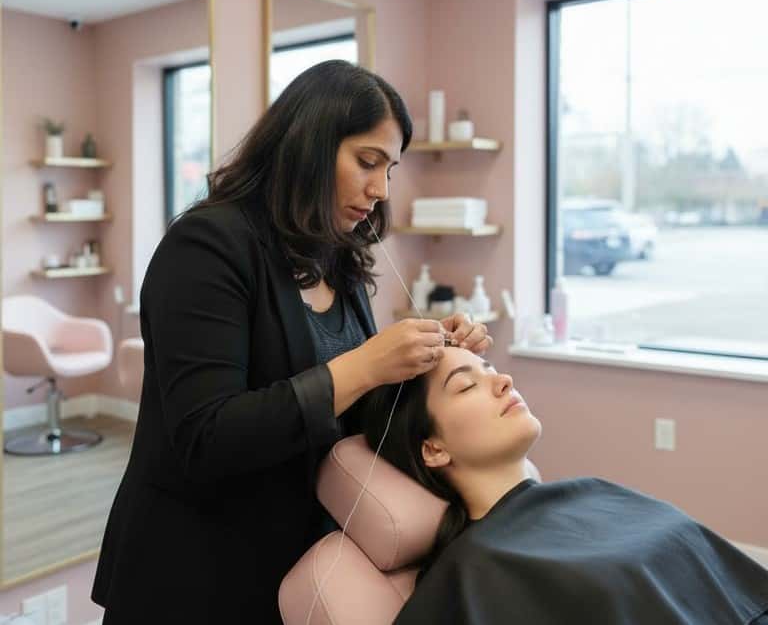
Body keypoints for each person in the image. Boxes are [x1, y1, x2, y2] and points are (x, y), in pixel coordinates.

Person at [91, 60, 493, 624]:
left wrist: (427, 360)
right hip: (193, 574)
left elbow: (349, 412)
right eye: (367, 162)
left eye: (390, 170)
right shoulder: (206, 246)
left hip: (296, 569)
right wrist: (367, 364)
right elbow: (208, 436)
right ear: (310, 145)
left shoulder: (336, 259)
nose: (380, 190)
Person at [363, 346, 768, 625]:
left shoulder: (591, 490)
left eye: (490, 369)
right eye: (467, 385)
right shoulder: (476, 569)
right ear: (433, 449)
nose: (504, 380)